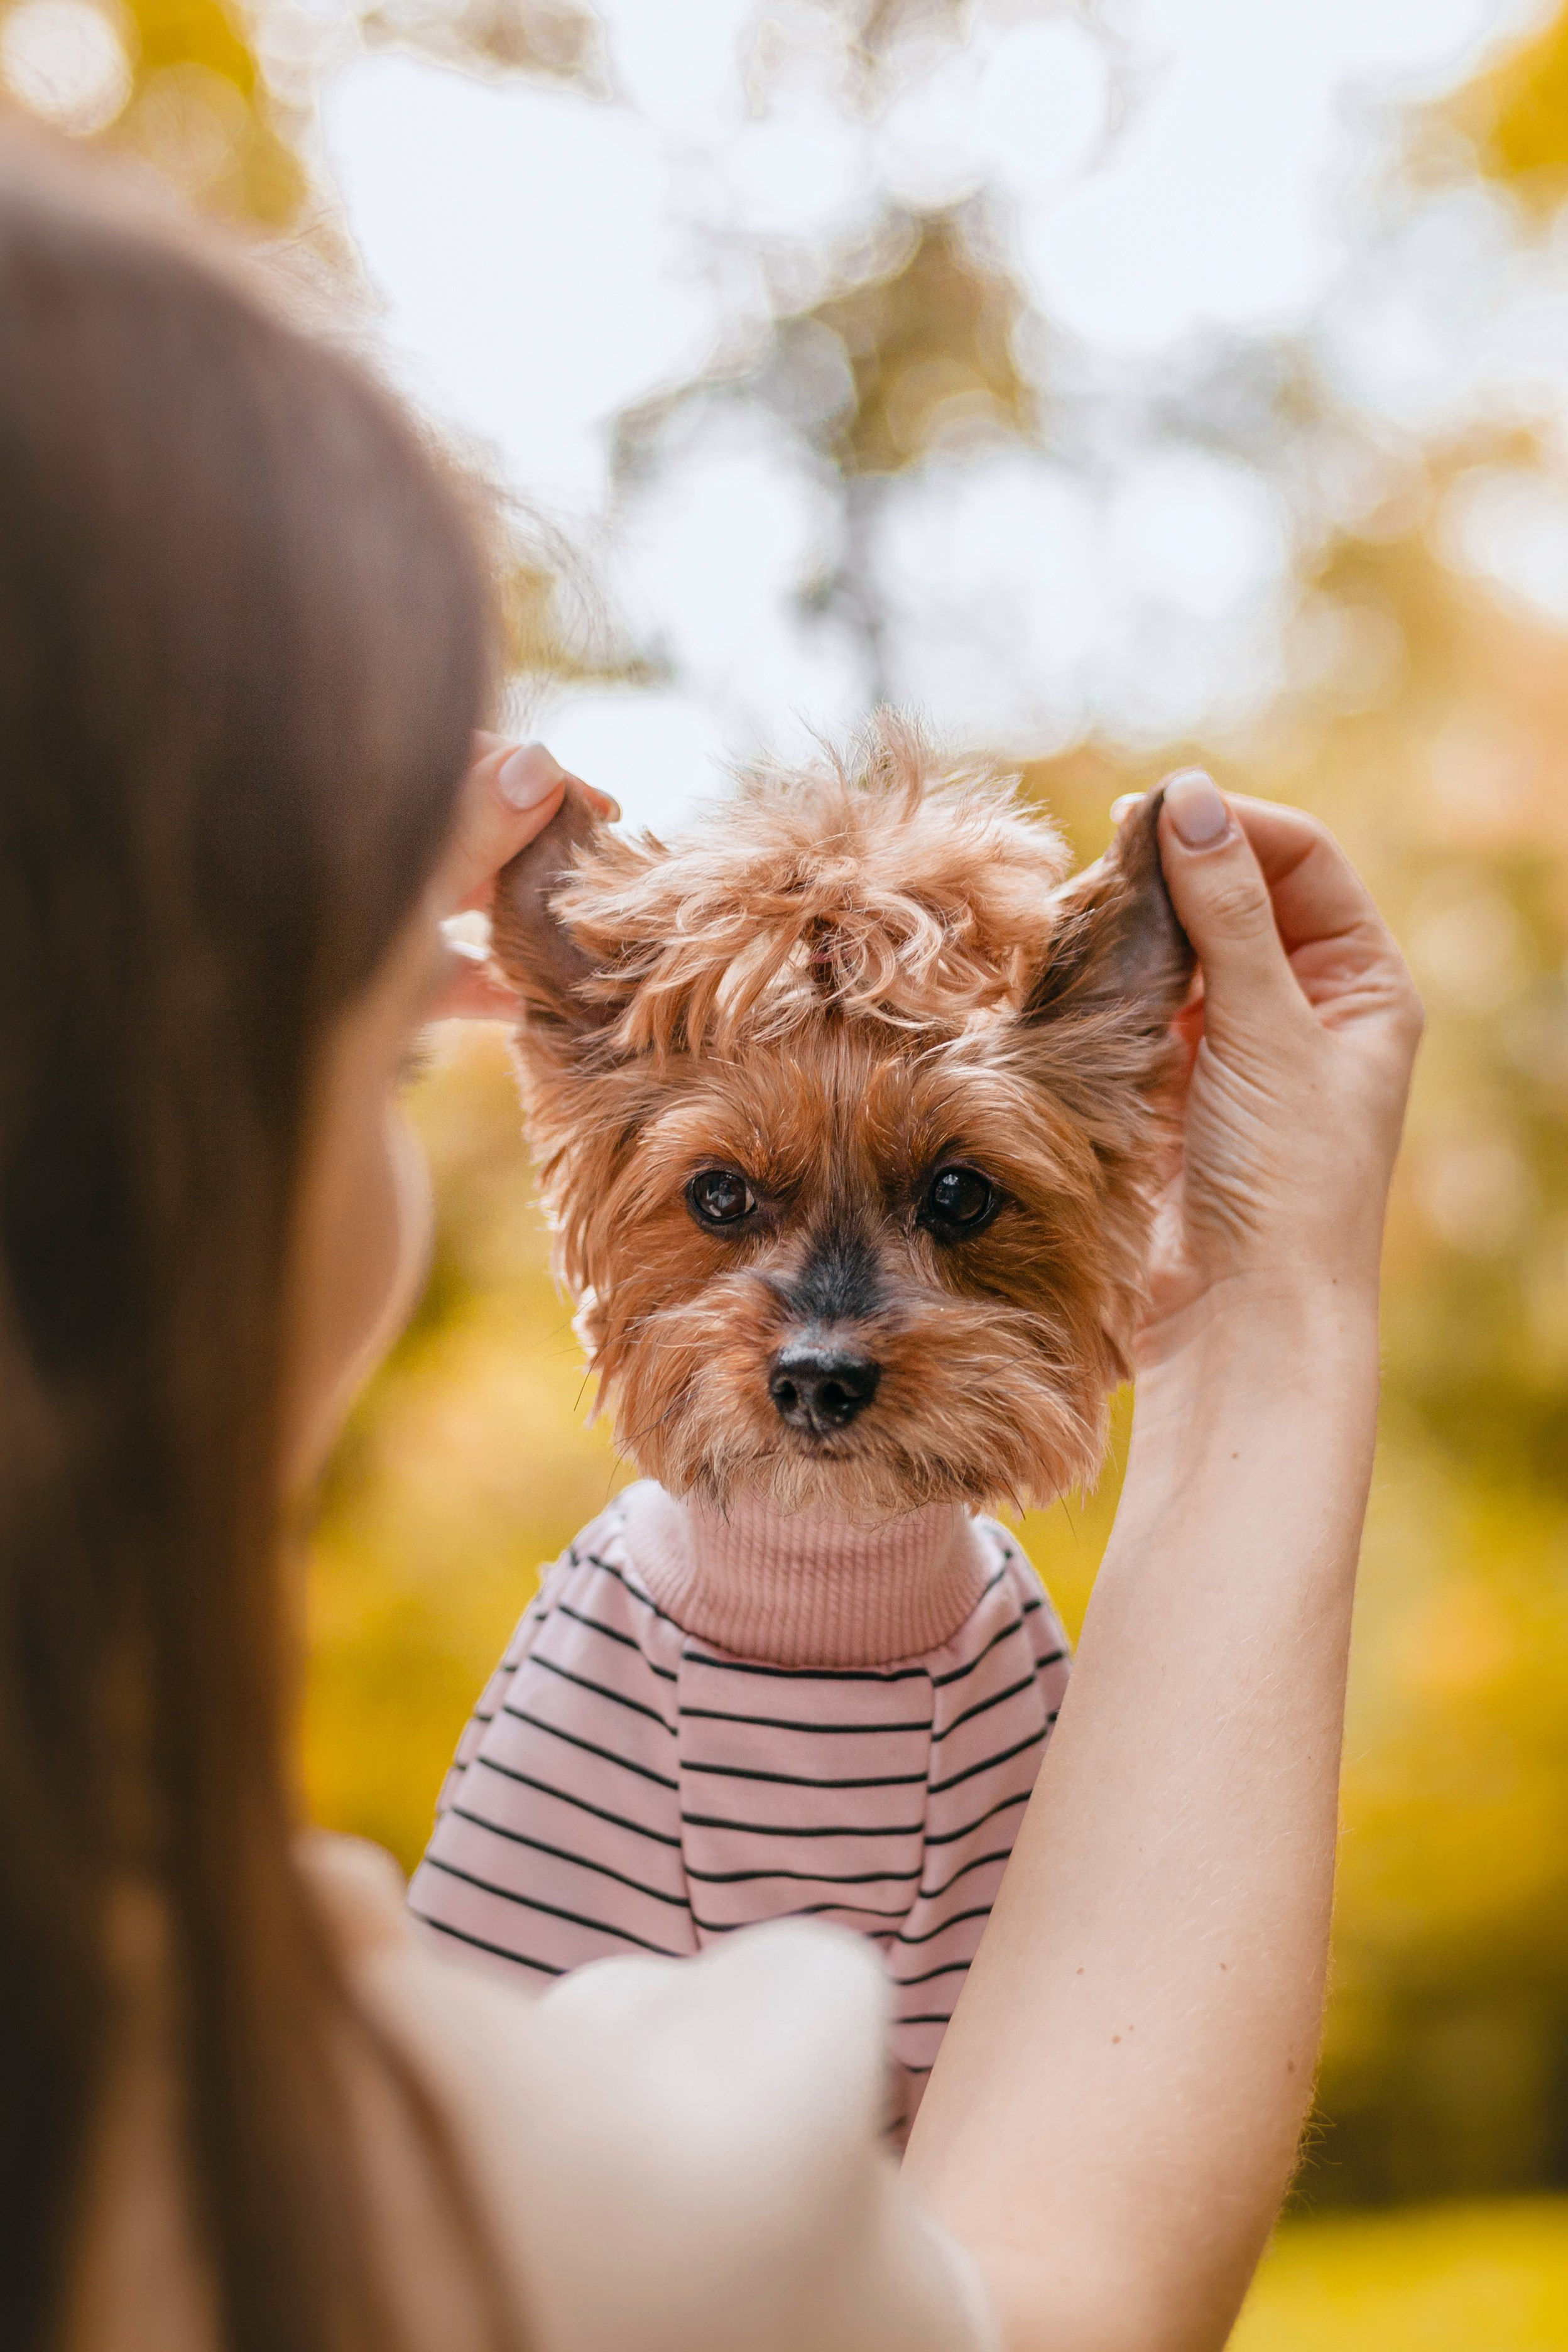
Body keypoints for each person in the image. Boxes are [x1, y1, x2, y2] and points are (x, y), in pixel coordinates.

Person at [0, 123, 1422, 2352]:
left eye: (956, 1203)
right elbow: (1035, 2307)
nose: (832, 1333)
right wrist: (1280, 1305)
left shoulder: (172, 2018)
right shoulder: (316, 2160)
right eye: (377, 1045)